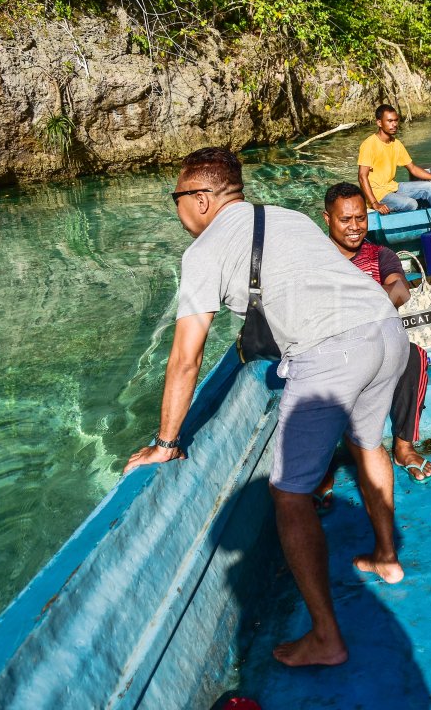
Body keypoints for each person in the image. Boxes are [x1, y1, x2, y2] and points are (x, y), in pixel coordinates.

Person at [123, 147, 409, 668]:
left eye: (178, 198)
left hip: (333, 350)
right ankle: (388, 557)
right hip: (387, 329)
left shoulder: (203, 251)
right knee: (369, 443)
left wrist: (166, 443)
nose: (178, 209)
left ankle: (326, 636)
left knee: (290, 493)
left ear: (202, 199)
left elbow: (186, 357)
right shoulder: (285, 216)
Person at [315, 182, 431, 497]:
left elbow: (399, 289)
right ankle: (321, 464)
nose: (355, 227)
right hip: (331, 350)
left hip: (377, 344)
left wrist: (355, 312)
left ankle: (403, 446)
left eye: (361, 218)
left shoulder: (380, 254)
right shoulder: (312, 260)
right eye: (345, 220)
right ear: (327, 219)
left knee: (414, 355)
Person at [357, 104, 431, 214]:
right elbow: (362, 177)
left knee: (429, 187)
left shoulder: (396, 144)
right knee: (411, 204)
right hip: (377, 195)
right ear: (379, 123)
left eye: (396, 120)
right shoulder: (369, 145)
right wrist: (375, 203)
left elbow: (413, 169)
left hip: (392, 188)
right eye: (390, 121)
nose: (394, 124)